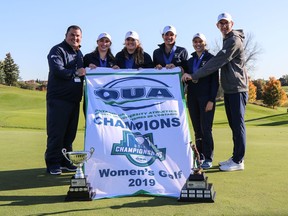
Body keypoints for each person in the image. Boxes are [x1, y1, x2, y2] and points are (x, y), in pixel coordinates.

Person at [182, 12, 248, 171]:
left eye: (226, 23)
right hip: (230, 89)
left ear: (232, 24)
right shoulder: (227, 39)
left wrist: (194, 75)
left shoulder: (234, 40)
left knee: (237, 125)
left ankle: (238, 160)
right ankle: (235, 157)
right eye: (221, 24)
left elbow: (217, 62)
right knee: (233, 124)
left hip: (237, 88)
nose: (224, 26)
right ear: (217, 26)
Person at [45, 25, 86, 175]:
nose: (75, 38)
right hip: (59, 99)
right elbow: (58, 70)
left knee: (69, 134)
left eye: (77, 36)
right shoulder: (57, 50)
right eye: (72, 35)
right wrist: (76, 72)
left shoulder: (79, 53)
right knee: (57, 133)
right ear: (66, 35)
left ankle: (65, 160)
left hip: (74, 100)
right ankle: (53, 163)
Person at [184, 33, 219, 169]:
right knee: (197, 129)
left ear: (205, 43)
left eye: (200, 42)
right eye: (195, 41)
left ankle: (208, 157)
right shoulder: (190, 60)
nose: (198, 44)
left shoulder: (211, 59)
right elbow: (185, 76)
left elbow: (215, 82)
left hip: (206, 98)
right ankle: (200, 157)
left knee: (206, 129)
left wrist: (211, 100)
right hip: (192, 98)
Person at [83, 32, 118, 116]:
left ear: (110, 44)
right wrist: (87, 67)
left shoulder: (114, 60)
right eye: (101, 41)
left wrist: (117, 70)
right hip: (92, 98)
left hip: (109, 99)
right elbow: (81, 71)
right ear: (97, 42)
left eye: (107, 41)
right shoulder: (88, 57)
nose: (104, 43)